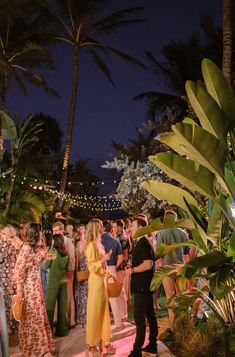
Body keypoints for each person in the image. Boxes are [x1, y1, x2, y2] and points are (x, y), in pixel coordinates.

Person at [13, 223, 54, 357]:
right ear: (36, 233)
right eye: (40, 232)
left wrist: (46, 252)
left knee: (37, 319)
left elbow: (36, 259)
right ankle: (41, 351)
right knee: (34, 320)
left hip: (36, 289)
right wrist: (19, 292)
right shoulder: (26, 249)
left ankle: (38, 350)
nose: (42, 234)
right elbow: (19, 271)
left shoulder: (32, 248)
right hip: (29, 291)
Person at [126, 217, 158, 357]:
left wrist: (132, 270)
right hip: (144, 285)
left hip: (143, 286)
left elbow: (148, 264)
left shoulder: (144, 243)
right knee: (150, 315)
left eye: (133, 226)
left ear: (140, 227)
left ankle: (137, 350)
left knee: (139, 319)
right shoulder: (142, 242)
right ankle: (152, 345)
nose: (130, 229)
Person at [85, 219, 116, 356]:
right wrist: (105, 258)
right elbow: (92, 267)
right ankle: (91, 344)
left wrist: (109, 274)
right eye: (101, 225)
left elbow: (101, 266)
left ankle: (104, 340)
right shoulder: (91, 246)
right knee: (94, 312)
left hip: (102, 280)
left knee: (104, 312)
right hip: (96, 282)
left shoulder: (99, 244)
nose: (103, 227)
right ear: (96, 228)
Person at [156, 209, 189, 325]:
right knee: (183, 296)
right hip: (181, 268)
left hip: (167, 269)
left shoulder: (161, 233)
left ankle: (173, 324)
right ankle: (186, 322)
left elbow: (159, 254)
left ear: (166, 218)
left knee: (170, 297)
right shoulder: (183, 233)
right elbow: (186, 254)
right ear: (175, 219)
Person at [44, 234, 73, 336]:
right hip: (63, 282)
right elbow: (70, 269)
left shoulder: (52, 252)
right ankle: (62, 331)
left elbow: (45, 266)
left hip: (53, 282)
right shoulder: (66, 253)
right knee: (62, 307)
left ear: (54, 241)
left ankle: (48, 333)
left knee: (49, 307)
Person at [52, 221, 76, 328]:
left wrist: (70, 275)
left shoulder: (68, 241)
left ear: (62, 230)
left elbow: (72, 259)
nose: (55, 232)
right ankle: (60, 320)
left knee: (68, 297)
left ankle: (70, 321)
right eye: (54, 231)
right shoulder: (54, 242)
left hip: (67, 274)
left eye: (57, 230)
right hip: (57, 275)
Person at [0, 226, 21, 347]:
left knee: (7, 310)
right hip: (14, 281)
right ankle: (17, 336)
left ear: (5, 233)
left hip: (4, 282)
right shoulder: (17, 244)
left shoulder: (4, 246)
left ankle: (11, 339)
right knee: (15, 308)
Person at [101, 221, 123, 329]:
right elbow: (121, 258)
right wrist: (114, 266)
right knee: (113, 297)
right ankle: (118, 323)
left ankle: (103, 324)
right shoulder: (115, 240)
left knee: (101, 296)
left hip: (101, 269)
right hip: (112, 268)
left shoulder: (98, 241)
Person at [74, 225, 88, 328]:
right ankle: (83, 319)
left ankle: (83, 319)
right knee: (82, 296)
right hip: (82, 272)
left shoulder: (82, 243)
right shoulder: (77, 243)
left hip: (82, 272)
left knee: (82, 296)